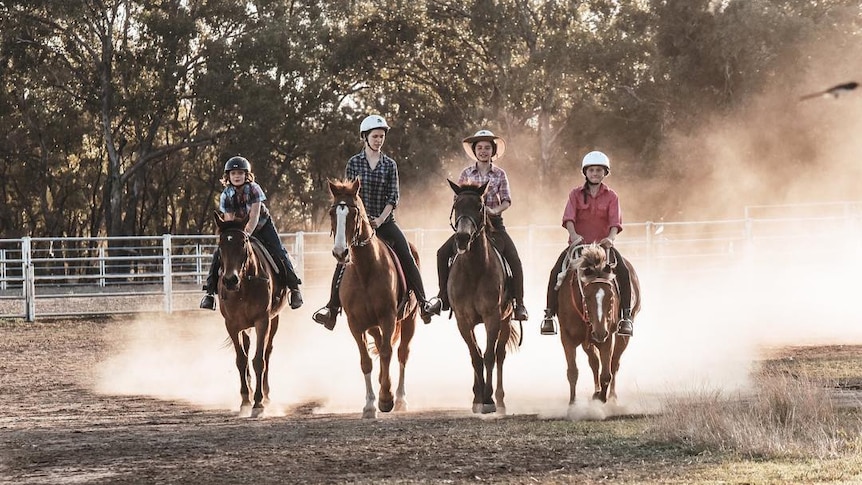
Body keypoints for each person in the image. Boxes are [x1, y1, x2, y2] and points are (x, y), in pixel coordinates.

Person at [312, 115, 437, 330]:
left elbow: (393, 197)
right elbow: (348, 194)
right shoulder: (354, 163)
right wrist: (361, 219)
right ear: (365, 137)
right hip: (358, 223)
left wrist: (379, 219)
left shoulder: (390, 164)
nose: (379, 140)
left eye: (381, 136)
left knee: (407, 254)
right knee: (342, 262)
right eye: (375, 136)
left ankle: (423, 303)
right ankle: (331, 309)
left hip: (385, 222)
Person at [425, 129, 529, 321]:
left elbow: (507, 200)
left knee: (514, 259)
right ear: (474, 151)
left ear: (493, 151)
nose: (483, 151)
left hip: (494, 224)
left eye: (487, 148)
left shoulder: (499, 174)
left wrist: (493, 211)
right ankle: (443, 297)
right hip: (470, 224)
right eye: (479, 148)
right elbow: (459, 199)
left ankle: (519, 303)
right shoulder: (466, 173)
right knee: (442, 252)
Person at [540, 150, 634, 337]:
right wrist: (574, 235)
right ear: (585, 172)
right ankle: (549, 315)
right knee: (556, 272)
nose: (595, 173)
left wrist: (611, 238)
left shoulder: (612, 196)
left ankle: (625, 317)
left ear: (605, 173)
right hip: (579, 247)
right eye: (591, 170)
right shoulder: (575, 194)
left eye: (599, 170)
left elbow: (616, 222)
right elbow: (568, 218)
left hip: (603, 247)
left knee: (623, 272)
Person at [200, 156, 303, 311]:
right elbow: (229, 220)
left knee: (278, 251)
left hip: (261, 225)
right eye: (233, 173)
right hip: (238, 229)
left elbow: (254, 215)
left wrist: (246, 233)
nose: (236, 176)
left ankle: (294, 289)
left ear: (246, 175)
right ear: (228, 176)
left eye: (240, 173)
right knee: (219, 254)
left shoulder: (254, 189)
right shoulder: (226, 195)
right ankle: (209, 293)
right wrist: (236, 236)